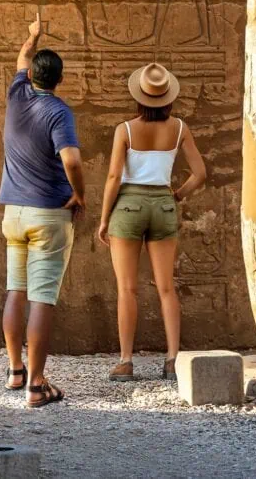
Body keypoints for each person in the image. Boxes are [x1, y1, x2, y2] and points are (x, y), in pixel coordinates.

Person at [96, 63, 207, 381]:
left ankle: (126, 362)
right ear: (168, 97)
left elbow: (114, 177)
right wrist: (178, 195)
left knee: (127, 289)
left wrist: (104, 219)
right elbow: (200, 174)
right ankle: (172, 361)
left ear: (139, 97)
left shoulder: (125, 130)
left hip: (128, 206)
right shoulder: (180, 128)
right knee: (167, 288)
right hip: (163, 204)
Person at [0, 14, 85, 408]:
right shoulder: (59, 112)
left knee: (15, 291)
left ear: (31, 75)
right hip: (48, 212)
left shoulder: (17, 95)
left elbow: (21, 58)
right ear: (59, 80)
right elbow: (72, 159)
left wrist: (32, 36)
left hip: (13, 212)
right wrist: (79, 194)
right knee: (42, 298)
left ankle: (16, 371)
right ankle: (36, 385)